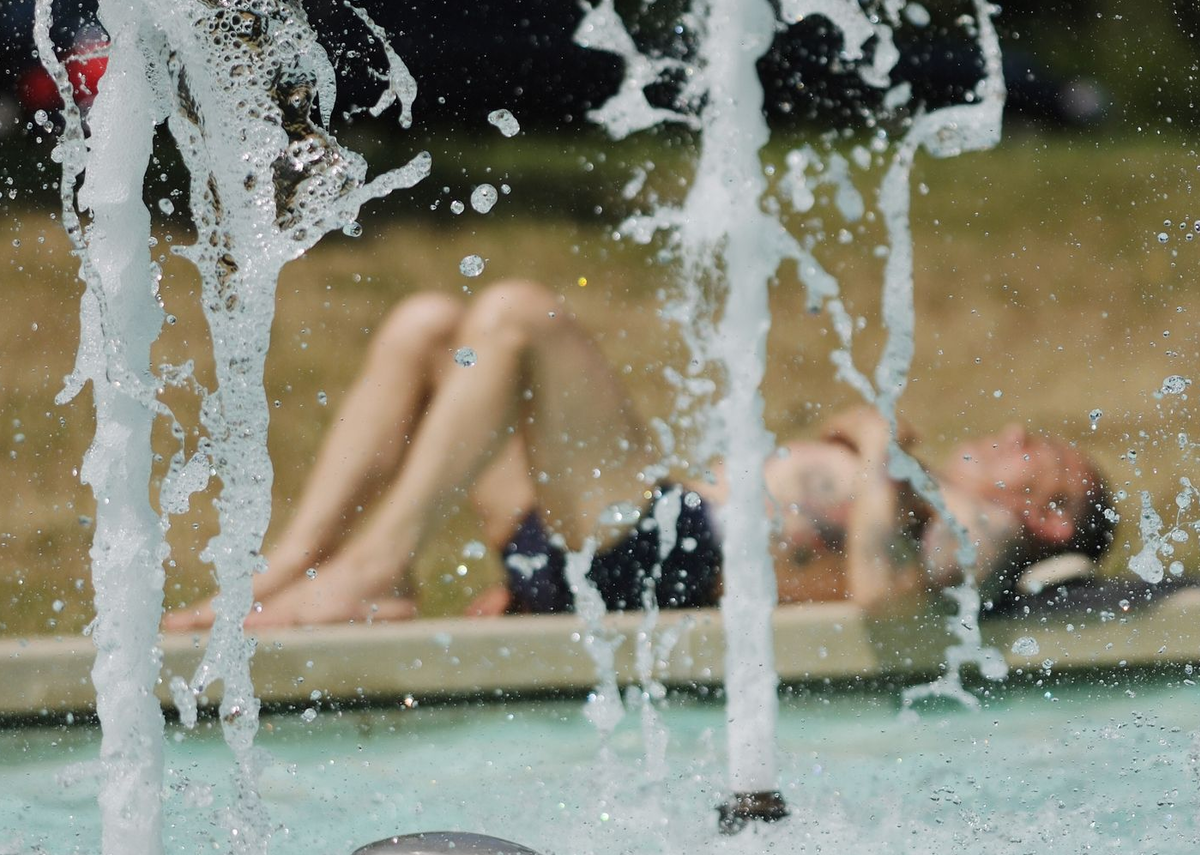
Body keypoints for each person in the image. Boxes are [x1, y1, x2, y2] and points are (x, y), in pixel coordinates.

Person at [162, 279, 1114, 631]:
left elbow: (884, 597)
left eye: (1050, 458)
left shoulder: (983, 531)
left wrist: (878, 455)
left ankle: (368, 566)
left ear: (1052, 517)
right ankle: (298, 564)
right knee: (429, 330)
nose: (1022, 437)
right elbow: (848, 439)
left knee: (518, 317)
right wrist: (874, 437)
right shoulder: (920, 480)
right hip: (607, 543)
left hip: (663, 556)